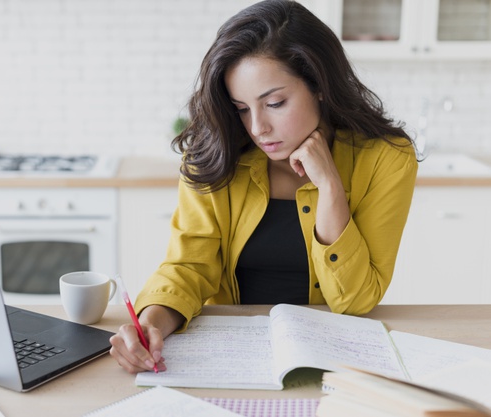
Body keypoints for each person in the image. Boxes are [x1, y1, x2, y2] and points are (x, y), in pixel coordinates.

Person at [110, 0, 418, 373]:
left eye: (274, 103)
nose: (257, 128)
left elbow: (356, 301)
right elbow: (189, 267)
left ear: (319, 85)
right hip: (230, 354)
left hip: (334, 358)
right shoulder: (217, 156)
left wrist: (330, 187)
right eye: (241, 108)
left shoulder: (385, 158)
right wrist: (151, 325)